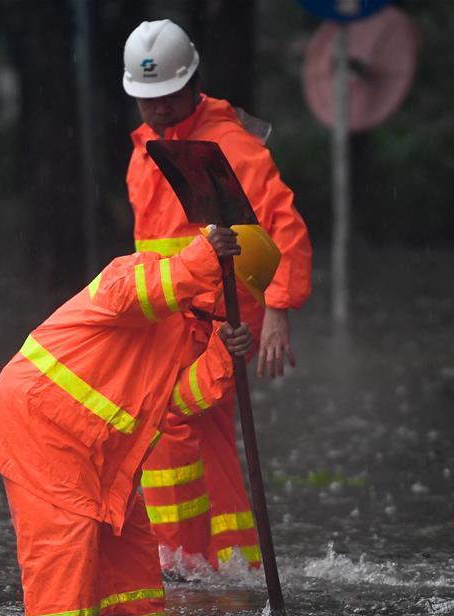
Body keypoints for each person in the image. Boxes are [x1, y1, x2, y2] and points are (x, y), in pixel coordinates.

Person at [0, 225, 279, 616]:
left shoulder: (198, 331)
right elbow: (130, 298)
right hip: (43, 432)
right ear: (226, 280)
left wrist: (223, 356)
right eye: (242, 297)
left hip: (102, 458)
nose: (244, 310)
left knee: (133, 581)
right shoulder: (140, 270)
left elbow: (179, 402)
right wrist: (199, 260)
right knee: (64, 582)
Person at [122, 20, 312, 573]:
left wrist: (278, 311)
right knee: (201, 436)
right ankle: (225, 563)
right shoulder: (147, 149)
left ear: (192, 82)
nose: (156, 109)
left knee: (171, 418)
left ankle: (183, 560)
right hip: (171, 317)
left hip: (218, 319)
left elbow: (284, 225)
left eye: (166, 96)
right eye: (145, 99)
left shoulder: (228, 144)